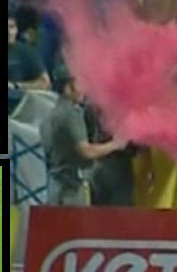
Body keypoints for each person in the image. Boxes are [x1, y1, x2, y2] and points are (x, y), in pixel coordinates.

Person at [40, 68, 126, 206]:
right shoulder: (71, 115)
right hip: (71, 189)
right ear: (69, 87)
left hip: (54, 186)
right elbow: (86, 151)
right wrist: (116, 144)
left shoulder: (50, 114)